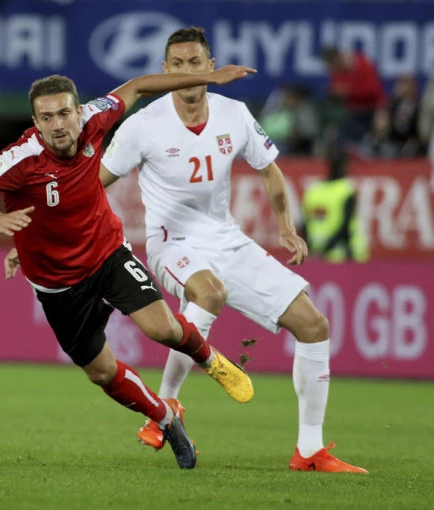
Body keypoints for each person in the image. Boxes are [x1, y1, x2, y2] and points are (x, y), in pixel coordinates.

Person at [0, 65, 257, 470]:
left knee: (162, 329)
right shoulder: (20, 158)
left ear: (78, 111)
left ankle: (210, 360)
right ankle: (166, 418)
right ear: (35, 122)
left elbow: (138, 86)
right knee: (101, 373)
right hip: (58, 286)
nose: (58, 124)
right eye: (47, 117)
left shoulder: (96, 118)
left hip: (107, 254)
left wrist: (207, 78)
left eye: (63, 113)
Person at [97, 27, 367, 473]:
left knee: (314, 326)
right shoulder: (143, 125)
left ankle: (310, 450)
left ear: (210, 66)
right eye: (177, 64)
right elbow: (93, 184)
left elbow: (269, 169)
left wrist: (285, 226)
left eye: (194, 62)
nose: (187, 71)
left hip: (227, 239)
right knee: (210, 291)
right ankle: (166, 406)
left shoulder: (235, 114)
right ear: (165, 70)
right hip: (172, 243)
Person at [302, 148, 369, 263]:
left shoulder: (313, 190)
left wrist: (312, 249)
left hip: (319, 253)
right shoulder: (346, 189)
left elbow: (304, 225)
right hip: (341, 254)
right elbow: (345, 227)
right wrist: (325, 248)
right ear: (345, 166)